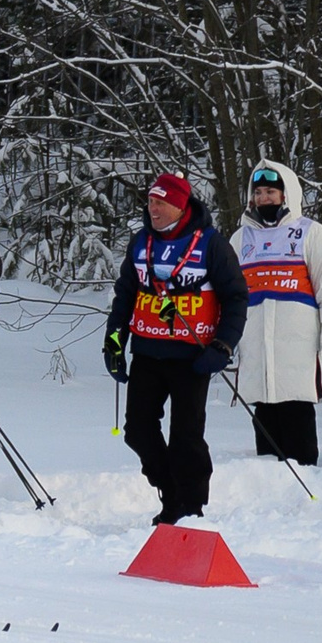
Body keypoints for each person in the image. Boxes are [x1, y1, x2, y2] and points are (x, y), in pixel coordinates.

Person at [105, 172, 248, 524]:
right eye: (150, 202)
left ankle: (190, 507)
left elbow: (236, 297)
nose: (152, 209)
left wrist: (224, 345)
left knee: (186, 438)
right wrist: (114, 342)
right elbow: (125, 294)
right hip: (148, 352)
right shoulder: (141, 242)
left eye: (160, 203)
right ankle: (172, 490)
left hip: (193, 356)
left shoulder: (210, 243)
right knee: (137, 432)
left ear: (180, 205)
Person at [229, 161, 322, 467]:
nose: (264, 198)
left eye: (271, 191)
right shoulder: (240, 239)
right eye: (259, 192)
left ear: (286, 194)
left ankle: (307, 481)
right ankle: (271, 492)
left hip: (297, 347)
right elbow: (229, 296)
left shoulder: (311, 233)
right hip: (255, 345)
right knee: (265, 415)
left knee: (296, 414)